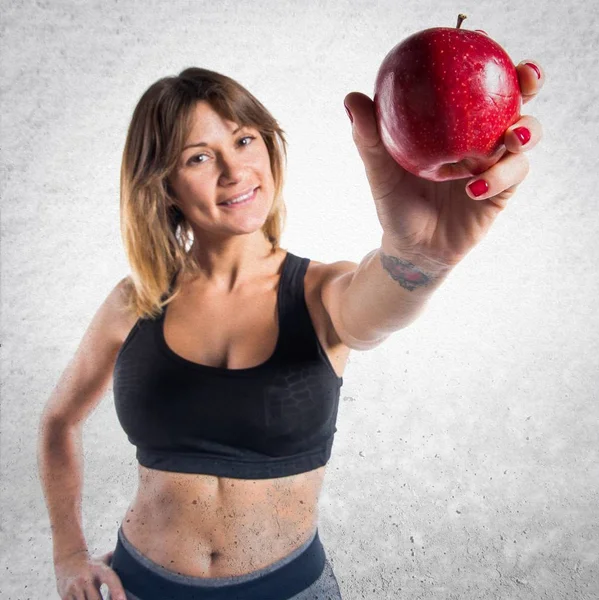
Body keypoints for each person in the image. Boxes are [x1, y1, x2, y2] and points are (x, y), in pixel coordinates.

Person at [37, 60, 544, 600]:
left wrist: (420, 256)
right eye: (200, 157)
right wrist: (69, 554)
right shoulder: (135, 301)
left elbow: (379, 307)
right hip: (138, 586)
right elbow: (59, 421)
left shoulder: (321, 292)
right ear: (163, 185)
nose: (235, 171)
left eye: (245, 140)